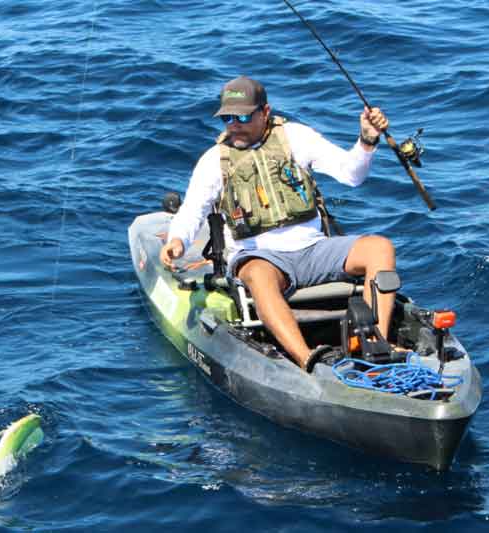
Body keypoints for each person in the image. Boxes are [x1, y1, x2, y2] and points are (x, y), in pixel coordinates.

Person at [159, 75, 396, 372]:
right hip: (261, 257)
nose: (234, 124)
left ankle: (379, 342)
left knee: (379, 248)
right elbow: (193, 209)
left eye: (243, 116)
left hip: (312, 249)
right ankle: (306, 359)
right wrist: (177, 240)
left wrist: (367, 140)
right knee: (258, 275)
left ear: (265, 112)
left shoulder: (296, 137)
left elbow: (351, 175)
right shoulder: (214, 160)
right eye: (227, 117)